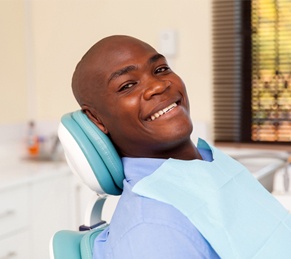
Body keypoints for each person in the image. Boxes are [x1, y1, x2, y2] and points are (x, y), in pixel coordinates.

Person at [71, 35, 291, 258]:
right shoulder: (153, 228)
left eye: (160, 69)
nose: (157, 86)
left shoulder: (210, 162)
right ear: (97, 119)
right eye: (127, 85)